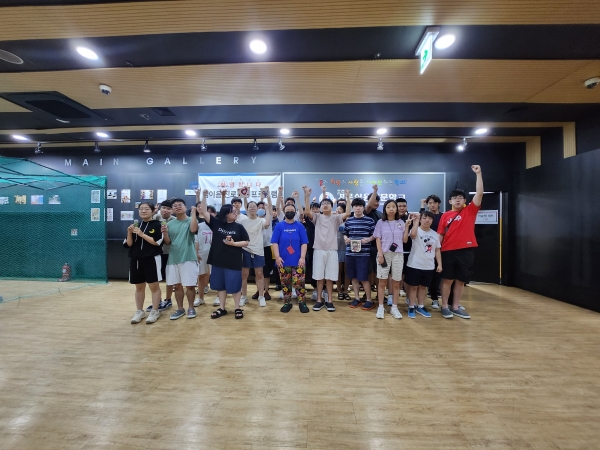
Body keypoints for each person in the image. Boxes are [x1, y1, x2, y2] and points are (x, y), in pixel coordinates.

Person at [438, 165, 484, 319]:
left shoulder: (470, 211)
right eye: (454, 198)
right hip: (447, 251)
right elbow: (440, 235)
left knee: (460, 280)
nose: (457, 200)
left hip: (466, 251)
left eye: (460, 198)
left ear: (465, 200)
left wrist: (478, 174)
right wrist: (436, 252)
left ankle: (455, 306)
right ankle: (445, 306)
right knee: (447, 279)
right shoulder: (445, 216)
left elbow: (479, 193)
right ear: (450, 201)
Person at [199, 190, 250, 320]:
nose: (236, 213)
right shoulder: (216, 223)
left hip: (233, 261)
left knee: (235, 286)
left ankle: (237, 307)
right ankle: (222, 308)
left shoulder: (239, 227)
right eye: (233, 211)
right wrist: (204, 196)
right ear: (226, 213)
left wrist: (234, 244)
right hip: (218, 261)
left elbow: (246, 242)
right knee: (220, 286)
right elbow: (204, 211)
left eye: (236, 211)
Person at [303, 186, 351, 312]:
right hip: (319, 250)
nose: (325, 205)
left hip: (332, 251)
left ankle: (329, 300)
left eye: (327, 203)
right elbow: (307, 211)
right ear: (320, 207)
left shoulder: (336, 218)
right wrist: (307, 196)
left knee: (330, 277)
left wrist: (347, 197)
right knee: (319, 277)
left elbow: (348, 213)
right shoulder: (317, 217)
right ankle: (319, 300)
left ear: (332, 207)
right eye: (323, 203)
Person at [125, 202, 163, 324]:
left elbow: (157, 242)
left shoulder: (158, 225)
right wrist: (129, 233)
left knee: (154, 286)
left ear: (153, 211)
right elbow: (128, 244)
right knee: (139, 286)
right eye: (141, 209)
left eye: (146, 209)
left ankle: (155, 311)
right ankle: (139, 311)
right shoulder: (135, 225)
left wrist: (142, 234)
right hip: (136, 259)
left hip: (151, 259)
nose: (143, 211)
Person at [161, 198, 199, 320]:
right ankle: (180, 309)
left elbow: (193, 230)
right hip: (173, 258)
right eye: (175, 206)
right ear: (172, 210)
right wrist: (165, 234)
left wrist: (194, 213)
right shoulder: (170, 224)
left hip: (189, 258)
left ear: (185, 207)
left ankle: (191, 307)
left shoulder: (191, 220)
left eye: (180, 205)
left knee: (190, 286)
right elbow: (168, 243)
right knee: (177, 286)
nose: (177, 207)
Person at [403, 211, 442, 319]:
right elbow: (413, 235)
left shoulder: (435, 234)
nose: (427, 220)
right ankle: (411, 306)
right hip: (414, 264)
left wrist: (439, 264)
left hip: (429, 266)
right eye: (424, 218)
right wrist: (416, 220)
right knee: (413, 287)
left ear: (432, 220)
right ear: (420, 219)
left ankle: (420, 306)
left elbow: (437, 250)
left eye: (429, 218)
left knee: (423, 287)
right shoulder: (416, 230)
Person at [271, 204, 309, 313]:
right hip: (283, 261)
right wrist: (277, 257)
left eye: (292, 210)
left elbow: (304, 243)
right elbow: (274, 242)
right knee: (285, 283)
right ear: (284, 212)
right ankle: (287, 303)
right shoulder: (279, 226)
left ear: (295, 212)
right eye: (287, 210)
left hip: (298, 261)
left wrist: (302, 257)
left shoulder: (300, 226)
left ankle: (302, 303)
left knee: (299, 283)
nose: (290, 212)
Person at [373, 199, 405, 319]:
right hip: (384, 254)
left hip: (398, 254)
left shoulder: (401, 222)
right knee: (382, 282)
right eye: (388, 207)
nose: (391, 209)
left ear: (396, 209)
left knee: (396, 282)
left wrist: (407, 226)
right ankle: (381, 306)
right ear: (385, 209)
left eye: (393, 206)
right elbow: (377, 239)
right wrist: (380, 255)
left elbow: (405, 240)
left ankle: (394, 307)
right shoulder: (380, 222)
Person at [344, 197, 376, 310]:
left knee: (364, 278)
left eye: (360, 206)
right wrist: (346, 238)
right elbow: (345, 233)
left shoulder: (370, 221)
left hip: (364, 254)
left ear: (363, 208)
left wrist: (369, 239)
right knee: (353, 277)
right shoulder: (348, 221)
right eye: (356, 206)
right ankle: (357, 298)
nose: (358, 208)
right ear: (353, 208)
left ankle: (369, 300)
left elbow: (375, 235)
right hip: (350, 253)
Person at [238, 198, 270, 307]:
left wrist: (267, 209)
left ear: (257, 209)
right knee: (244, 275)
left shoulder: (261, 220)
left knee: (259, 274)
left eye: (254, 206)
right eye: (250, 206)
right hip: (245, 249)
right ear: (247, 209)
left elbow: (267, 224)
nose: (252, 208)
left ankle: (261, 296)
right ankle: (244, 296)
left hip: (258, 250)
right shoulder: (243, 221)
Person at [149, 200, 175, 312]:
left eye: (168, 209)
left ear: (172, 211)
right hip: (156, 252)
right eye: (163, 207)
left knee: (169, 277)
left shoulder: (174, 220)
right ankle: (157, 301)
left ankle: (168, 300)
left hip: (169, 253)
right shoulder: (155, 217)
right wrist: (153, 212)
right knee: (156, 278)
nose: (165, 210)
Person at [420, 195, 444, 308]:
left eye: (434, 203)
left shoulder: (443, 216)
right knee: (429, 276)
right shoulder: (426, 216)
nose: (432, 205)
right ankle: (431, 298)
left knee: (438, 276)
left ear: (439, 204)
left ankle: (437, 299)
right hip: (425, 249)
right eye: (430, 203)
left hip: (440, 248)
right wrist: (422, 206)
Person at [251, 191, 274, 302]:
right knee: (258, 271)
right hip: (256, 247)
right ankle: (258, 290)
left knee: (266, 271)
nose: (261, 209)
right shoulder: (254, 219)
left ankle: (266, 291)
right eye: (259, 207)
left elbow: (269, 206)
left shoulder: (269, 218)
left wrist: (267, 195)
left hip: (267, 247)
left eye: (263, 207)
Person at [194, 201, 216, 307]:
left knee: (216, 275)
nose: (209, 214)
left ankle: (218, 297)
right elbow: (196, 240)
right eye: (208, 212)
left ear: (215, 214)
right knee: (201, 276)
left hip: (216, 254)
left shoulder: (219, 225)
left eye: (212, 212)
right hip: (202, 254)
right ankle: (200, 298)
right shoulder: (199, 226)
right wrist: (196, 252)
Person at [336, 204, 351, 300]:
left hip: (348, 248)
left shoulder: (349, 221)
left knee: (347, 271)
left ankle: (345, 290)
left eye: (340, 209)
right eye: (337, 209)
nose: (337, 211)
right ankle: (339, 291)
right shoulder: (334, 220)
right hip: (337, 248)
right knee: (338, 270)